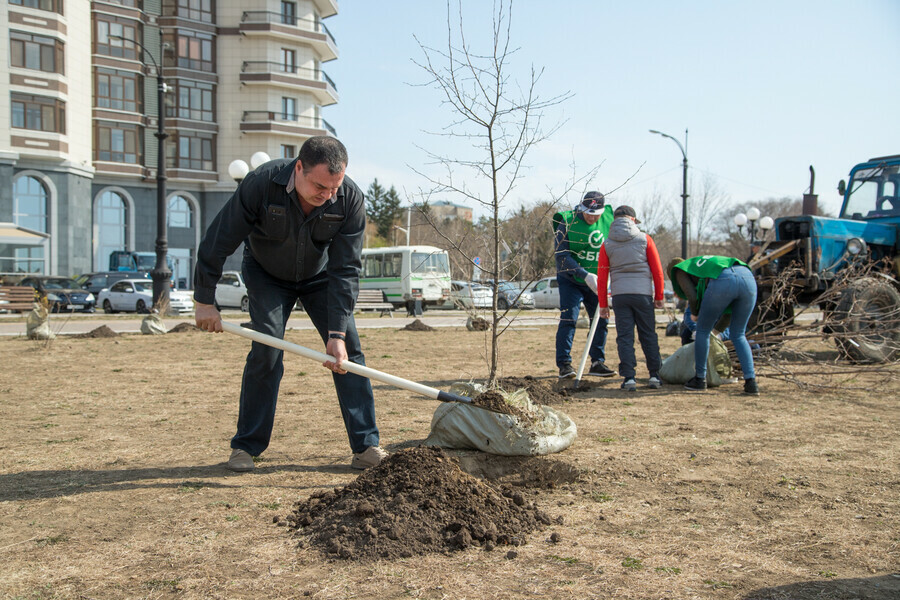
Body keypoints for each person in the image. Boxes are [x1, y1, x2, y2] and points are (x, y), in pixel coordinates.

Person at [193, 136, 386, 472]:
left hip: (320, 277)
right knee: (266, 348)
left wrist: (336, 333)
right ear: (299, 168)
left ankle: (366, 446)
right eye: (320, 186)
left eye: (334, 187)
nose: (328, 195)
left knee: (348, 353)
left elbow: (346, 269)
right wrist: (204, 301)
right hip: (267, 274)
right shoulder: (260, 184)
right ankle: (246, 447)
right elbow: (218, 240)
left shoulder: (350, 199)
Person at [596, 205, 665, 391]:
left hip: (620, 296)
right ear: (632, 220)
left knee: (625, 337)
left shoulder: (607, 244)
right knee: (648, 335)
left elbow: (602, 278)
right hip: (643, 295)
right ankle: (655, 375)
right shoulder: (645, 239)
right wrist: (658, 295)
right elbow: (657, 271)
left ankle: (629, 378)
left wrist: (603, 304)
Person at [668, 255, 759, 395]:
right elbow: (728, 313)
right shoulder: (707, 263)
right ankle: (751, 382)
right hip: (748, 278)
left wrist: (694, 313)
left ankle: (700, 379)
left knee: (702, 331)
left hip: (724, 279)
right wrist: (717, 331)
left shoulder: (679, 269)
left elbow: (692, 296)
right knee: (739, 334)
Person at [552, 191, 615, 379]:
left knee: (601, 318)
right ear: (581, 207)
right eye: (588, 212)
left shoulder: (610, 220)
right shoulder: (567, 222)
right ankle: (564, 364)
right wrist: (584, 274)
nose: (592, 217)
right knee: (569, 319)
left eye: (596, 214)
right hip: (571, 280)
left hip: (599, 282)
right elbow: (561, 257)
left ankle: (597, 362)